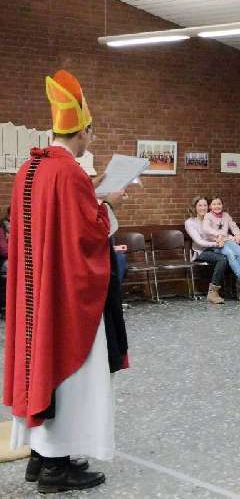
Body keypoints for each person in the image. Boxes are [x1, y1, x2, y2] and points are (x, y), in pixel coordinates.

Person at [3, 70, 129, 492]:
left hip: (34, 295)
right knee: (71, 376)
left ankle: (41, 458)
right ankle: (56, 469)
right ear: (85, 130)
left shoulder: (31, 168)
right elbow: (89, 236)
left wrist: (91, 197)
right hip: (66, 300)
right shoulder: (70, 172)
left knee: (39, 367)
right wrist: (108, 202)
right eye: (91, 134)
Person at [202, 197, 240, 301]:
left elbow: (233, 226)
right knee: (229, 253)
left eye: (219, 204)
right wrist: (219, 235)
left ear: (222, 205)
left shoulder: (226, 216)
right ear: (210, 206)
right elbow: (206, 229)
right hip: (216, 243)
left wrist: (238, 235)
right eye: (214, 204)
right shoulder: (208, 216)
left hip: (226, 240)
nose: (217, 206)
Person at [185, 196, 229, 304]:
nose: (203, 208)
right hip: (200, 252)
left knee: (231, 254)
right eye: (200, 205)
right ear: (195, 207)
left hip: (214, 248)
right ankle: (212, 293)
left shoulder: (211, 219)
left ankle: (233, 290)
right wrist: (216, 244)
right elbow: (199, 241)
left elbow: (221, 234)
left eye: (205, 205)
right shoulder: (190, 222)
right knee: (222, 259)